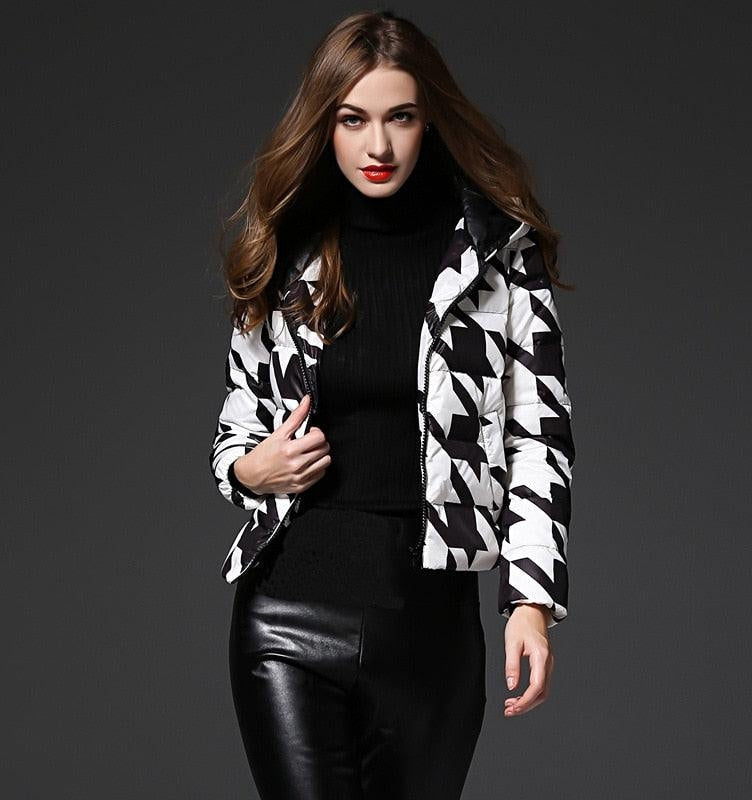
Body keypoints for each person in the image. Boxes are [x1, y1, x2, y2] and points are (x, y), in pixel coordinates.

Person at [208, 10, 576, 800]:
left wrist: (530, 602)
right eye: (353, 120)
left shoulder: (497, 254)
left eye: (399, 117)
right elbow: (238, 420)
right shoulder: (287, 248)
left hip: (430, 629)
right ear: (325, 124)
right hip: (288, 617)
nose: (378, 145)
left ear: (429, 118)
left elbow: (539, 437)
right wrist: (250, 469)